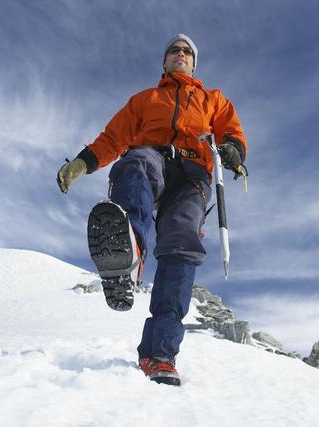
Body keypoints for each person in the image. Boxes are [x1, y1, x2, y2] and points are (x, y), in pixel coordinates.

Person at [57, 34, 247, 386]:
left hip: (193, 172)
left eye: (187, 51)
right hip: (153, 155)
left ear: (194, 62)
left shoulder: (212, 100)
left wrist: (234, 149)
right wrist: (83, 163)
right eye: (174, 50)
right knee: (136, 162)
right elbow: (113, 138)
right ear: (164, 62)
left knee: (182, 246)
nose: (180, 54)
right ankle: (128, 253)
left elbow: (231, 131)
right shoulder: (145, 100)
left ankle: (159, 354)